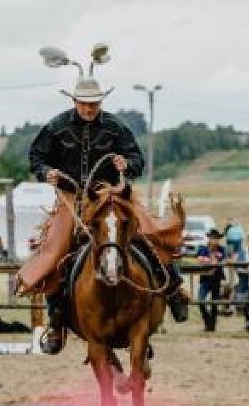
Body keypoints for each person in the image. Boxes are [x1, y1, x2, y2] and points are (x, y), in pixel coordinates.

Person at [15, 54, 189, 354]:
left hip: (112, 194)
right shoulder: (56, 128)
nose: (89, 107)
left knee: (149, 233)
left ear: (101, 102)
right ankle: (55, 322)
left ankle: (172, 290)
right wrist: (48, 173)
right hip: (73, 199)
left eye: (94, 103)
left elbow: (137, 160)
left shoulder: (117, 128)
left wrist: (128, 165)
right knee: (56, 250)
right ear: (74, 101)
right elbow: (37, 157)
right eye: (84, 102)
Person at [197, 229, 228, 332]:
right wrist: (211, 261)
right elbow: (200, 260)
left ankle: (212, 326)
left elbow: (223, 260)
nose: (214, 240)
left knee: (214, 303)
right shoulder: (203, 249)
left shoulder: (222, 249)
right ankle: (207, 321)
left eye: (216, 238)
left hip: (216, 279)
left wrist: (210, 261)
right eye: (212, 238)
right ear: (209, 239)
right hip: (205, 279)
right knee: (200, 300)